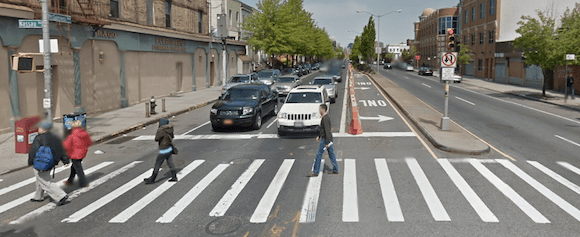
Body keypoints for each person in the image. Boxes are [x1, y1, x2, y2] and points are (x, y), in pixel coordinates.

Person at [28, 120, 70, 206]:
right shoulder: (56, 138)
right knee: (40, 178)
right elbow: (61, 150)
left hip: (41, 163)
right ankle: (38, 196)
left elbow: (33, 151)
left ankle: (61, 196)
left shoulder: (39, 138)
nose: (38, 130)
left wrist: (30, 161)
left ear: (43, 129)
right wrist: (65, 160)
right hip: (51, 162)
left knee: (45, 181)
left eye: (39, 128)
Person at [144, 118, 178, 184]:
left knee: (157, 165)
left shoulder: (161, 130)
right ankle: (174, 176)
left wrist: (158, 130)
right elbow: (172, 137)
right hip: (169, 148)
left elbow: (156, 139)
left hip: (163, 149)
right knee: (170, 163)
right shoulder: (170, 129)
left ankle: (152, 179)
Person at [308, 104, 339, 177]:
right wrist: (319, 136)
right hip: (328, 138)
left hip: (325, 139)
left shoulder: (325, 118)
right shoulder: (326, 117)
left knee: (319, 154)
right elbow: (323, 129)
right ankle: (336, 169)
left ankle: (315, 171)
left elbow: (327, 130)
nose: (319, 110)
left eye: (320, 109)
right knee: (331, 154)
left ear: (323, 110)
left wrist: (327, 142)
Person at [63, 120, 92, 187]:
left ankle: (83, 182)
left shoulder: (72, 136)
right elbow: (89, 142)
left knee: (78, 169)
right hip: (82, 152)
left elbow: (66, 145)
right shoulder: (85, 133)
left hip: (74, 154)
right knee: (74, 166)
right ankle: (70, 180)